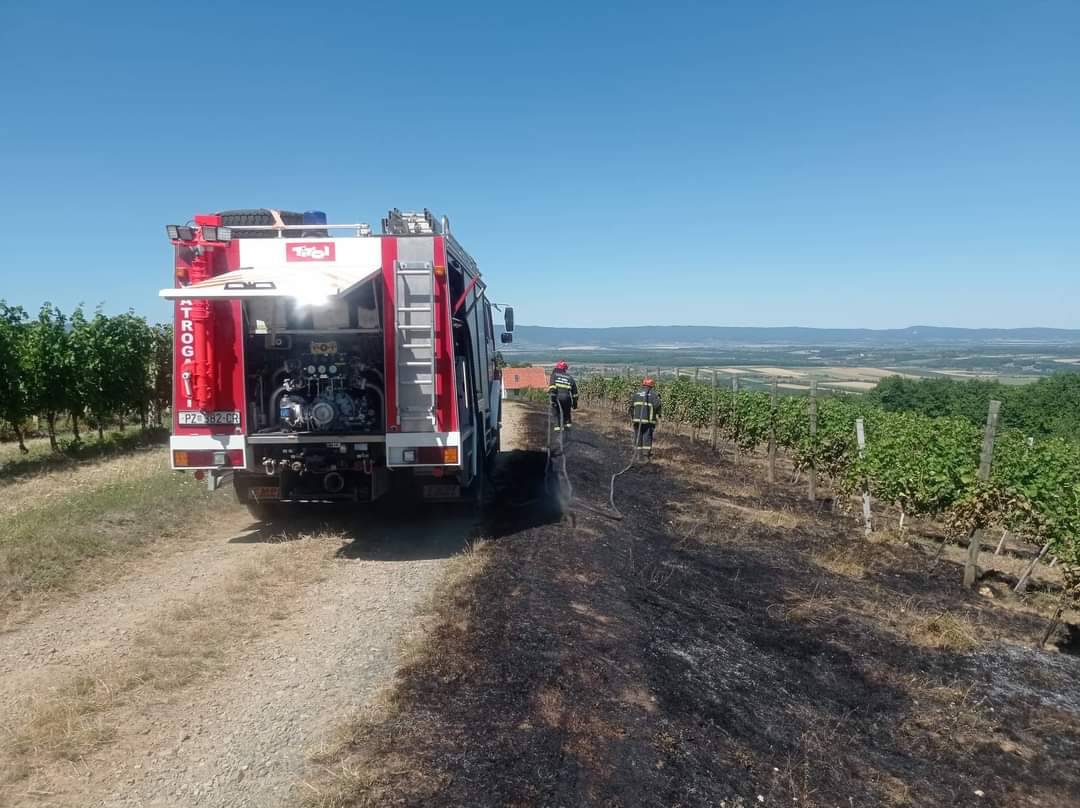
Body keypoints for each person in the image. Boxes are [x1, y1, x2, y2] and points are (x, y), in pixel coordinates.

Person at [629, 377, 662, 457]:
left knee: (638, 435)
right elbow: (657, 406)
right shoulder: (653, 395)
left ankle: (638, 453)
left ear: (643, 384)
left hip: (637, 420)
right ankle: (645, 453)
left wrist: (632, 418)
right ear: (652, 386)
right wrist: (659, 415)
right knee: (647, 436)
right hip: (648, 421)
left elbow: (631, 407)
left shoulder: (636, 394)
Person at [548, 360, 579, 432]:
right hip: (567, 399)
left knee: (556, 413)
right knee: (567, 414)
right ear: (565, 369)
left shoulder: (554, 375)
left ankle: (557, 429)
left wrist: (552, 399)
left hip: (557, 397)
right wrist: (575, 404)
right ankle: (568, 431)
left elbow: (552, 387)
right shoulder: (570, 377)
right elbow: (575, 393)